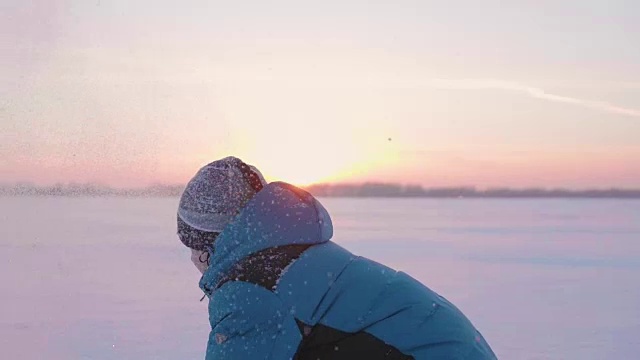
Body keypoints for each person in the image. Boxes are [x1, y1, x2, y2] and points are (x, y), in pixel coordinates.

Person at [177, 156, 497, 360]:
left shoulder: (254, 290)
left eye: (193, 247)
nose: (194, 261)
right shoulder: (297, 257)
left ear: (211, 245)